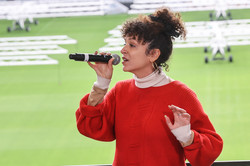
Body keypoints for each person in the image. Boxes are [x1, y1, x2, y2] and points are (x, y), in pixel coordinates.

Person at [75, 7, 223, 166]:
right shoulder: (120, 91)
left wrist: (187, 137)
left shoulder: (182, 95)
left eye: (132, 45)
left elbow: (209, 153)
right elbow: (90, 127)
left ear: (153, 54)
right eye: (124, 43)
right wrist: (101, 85)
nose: (123, 50)